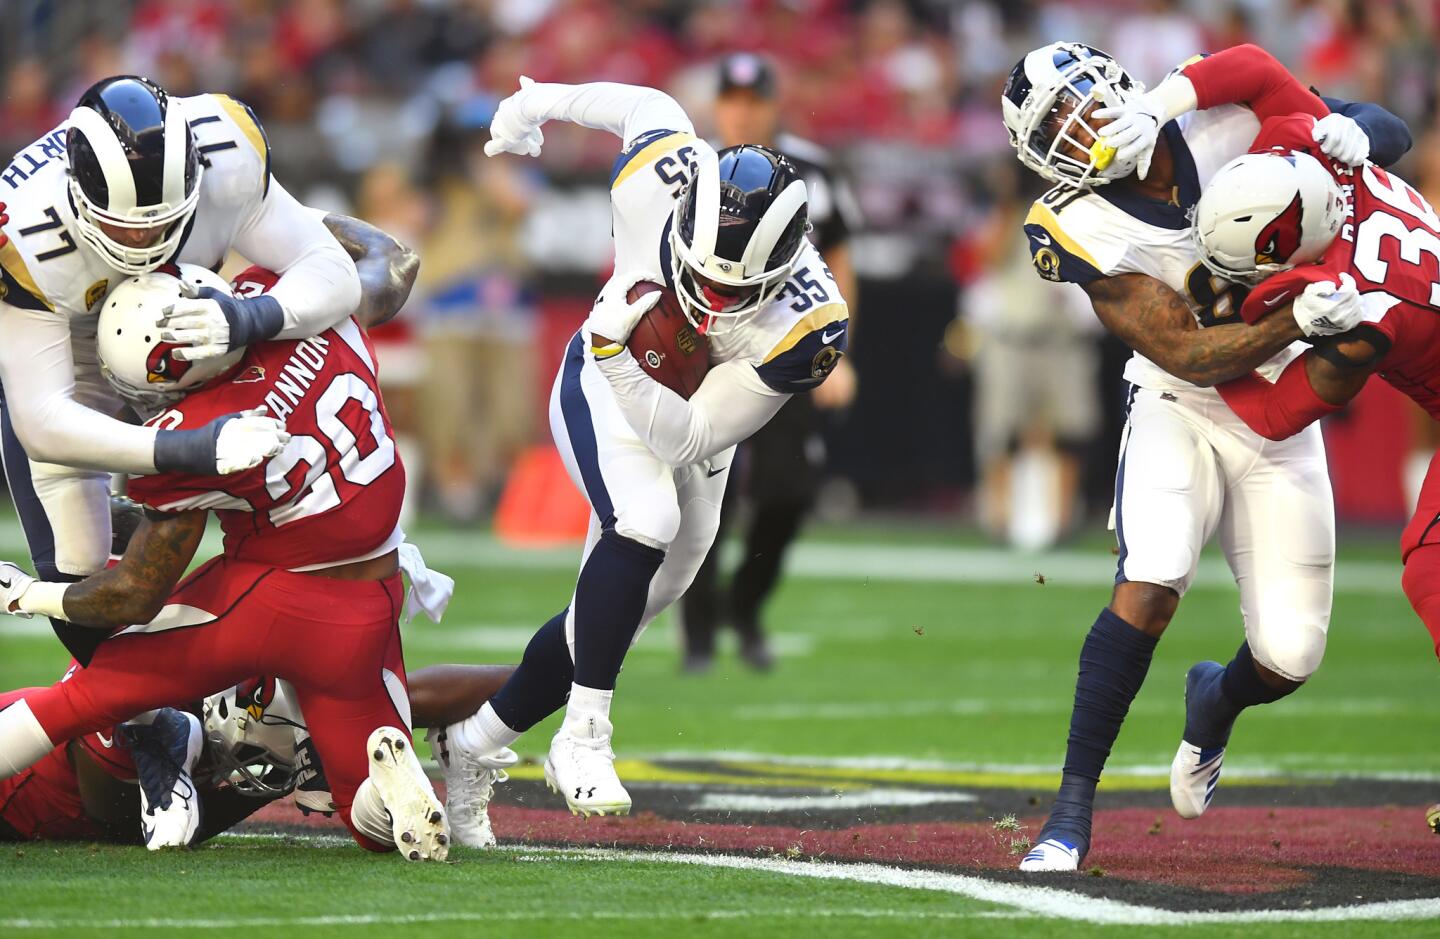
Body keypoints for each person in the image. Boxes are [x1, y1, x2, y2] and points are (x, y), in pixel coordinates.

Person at [1000, 42, 1410, 872]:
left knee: (1290, 657)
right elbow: (1186, 350)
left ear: (1118, 82)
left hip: (1281, 412)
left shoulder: (1216, 119)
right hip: (1179, 401)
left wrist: (1348, 135)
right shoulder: (1072, 222)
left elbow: (1380, 130)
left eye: (1084, 100)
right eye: (1060, 124)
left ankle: (1213, 700)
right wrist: (1300, 322)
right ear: (1044, 154)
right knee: (1151, 580)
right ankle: (1071, 812)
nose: (1083, 125)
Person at [424, 77, 849, 828]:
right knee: (644, 520)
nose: (709, 302)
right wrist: (532, 104)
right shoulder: (658, 174)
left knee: (622, 610)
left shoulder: (807, 324)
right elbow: (638, 104)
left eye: (734, 290)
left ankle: (471, 744)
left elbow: (685, 437)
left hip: (683, 411)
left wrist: (626, 353)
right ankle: (584, 735)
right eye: (701, 275)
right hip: (602, 378)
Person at [0, 262, 452, 859]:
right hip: (371, 595)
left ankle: (210, 738)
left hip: (271, 598)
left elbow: (136, 593)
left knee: (88, 693)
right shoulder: (315, 314)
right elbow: (388, 262)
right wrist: (297, 238)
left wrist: (29, 595)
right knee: (363, 809)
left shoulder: (195, 430)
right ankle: (383, 797)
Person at [0, 75, 360, 665]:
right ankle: (151, 729)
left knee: (299, 509)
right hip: (72, 344)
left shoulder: (227, 146)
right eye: (125, 224)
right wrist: (185, 449)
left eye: (161, 219)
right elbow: (41, 419)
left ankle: (269, 688)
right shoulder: (26, 230)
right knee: (75, 561)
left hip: (206, 321)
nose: (144, 237)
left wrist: (250, 318)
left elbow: (331, 270)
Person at [1191, 116, 1440, 749]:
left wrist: (1203, 351)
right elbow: (1382, 126)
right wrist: (1350, 123)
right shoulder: (1334, 168)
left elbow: (1278, 415)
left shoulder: (1359, 309)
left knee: (1431, 572)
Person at [678, 52, 862, 673]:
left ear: (772, 104)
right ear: (718, 104)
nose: (741, 112)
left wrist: (841, 350)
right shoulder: (693, 165)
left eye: (753, 101)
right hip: (704, 353)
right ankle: (698, 633)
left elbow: (839, 261)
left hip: (781, 349)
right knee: (704, 495)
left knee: (788, 491)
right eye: (731, 100)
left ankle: (746, 607)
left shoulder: (812, 169)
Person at [0, 662, 515, 846]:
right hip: (40, 750)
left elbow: (404, 697)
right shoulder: (142, 684)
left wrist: (544, 680)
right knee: (113, 700)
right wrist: (284, 776)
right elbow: (112, 821)